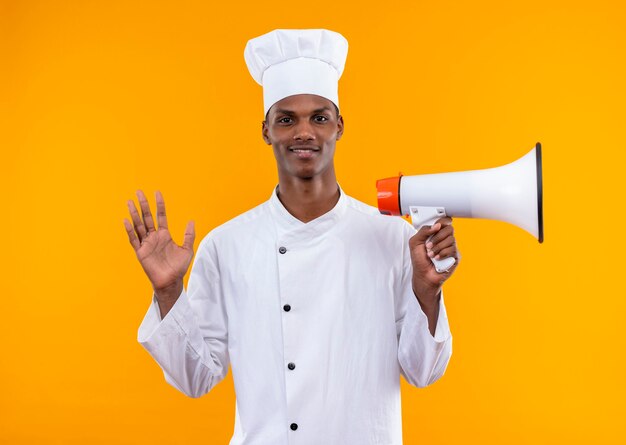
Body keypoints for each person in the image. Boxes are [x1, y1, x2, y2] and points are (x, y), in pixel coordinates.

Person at [124, 29, 460, 445]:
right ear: (266, 130)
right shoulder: (225, 246)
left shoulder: (392, 237)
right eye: (287, 119)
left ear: (339, 125)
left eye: (319, 117)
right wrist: (169, 291)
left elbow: (422, 371)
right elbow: (196, 377)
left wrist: (427, 290)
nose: (304, 132)